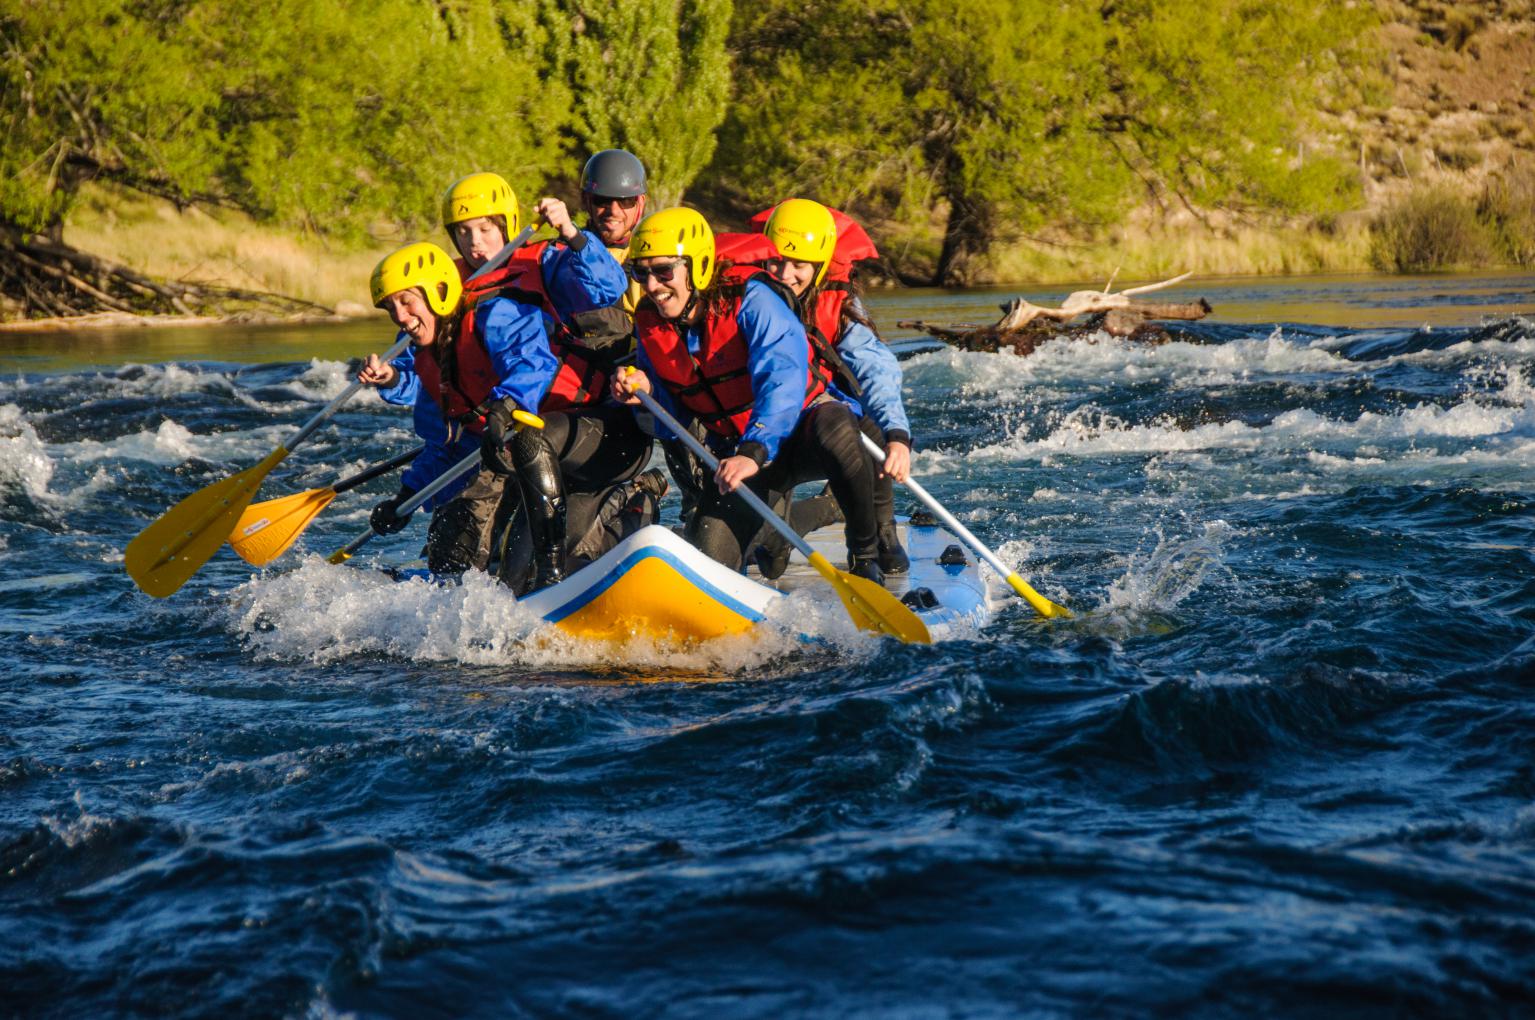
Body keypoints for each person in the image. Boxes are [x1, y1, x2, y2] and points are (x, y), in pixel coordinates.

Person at [610, 207, 885, 581]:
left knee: (837, 425)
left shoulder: (754, 301)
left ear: (699, 266)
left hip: (798, 434)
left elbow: (782, 382)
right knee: (717, 560)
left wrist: (753, 451)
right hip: (740, 453)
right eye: (640, 273)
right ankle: (790, 526)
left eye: (663, 271)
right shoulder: (650, 323)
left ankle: (865, 556)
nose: (652, 285)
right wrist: (645, 396)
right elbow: (670, 423)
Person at [439, 171, 661, 591]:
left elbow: (607, 286)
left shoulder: (545, 260)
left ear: (506, 226)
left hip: (587, 427)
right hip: (516, 431)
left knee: (536, 571)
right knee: (463, 557)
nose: (475, 242)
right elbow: (433, 380)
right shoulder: (450, 287)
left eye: (486, 229)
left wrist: (571, 232)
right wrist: (393, 377)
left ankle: (635, 501)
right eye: (463, 232)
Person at [356, 240, 564, 586]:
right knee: (448, 559)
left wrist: (506, 406)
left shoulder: (494, 315)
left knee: (521, 448)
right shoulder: (430, 358)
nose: (400, 317)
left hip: (550, 438)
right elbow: (447, 444)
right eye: (391, 308)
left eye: (406, 301)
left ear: (438, 291)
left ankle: (551, 571)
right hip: (485, 452)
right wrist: (405, 499)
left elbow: (534, 364)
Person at [751, 198, 914, 577]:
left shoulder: (838, 305)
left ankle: (878, 538)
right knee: (769, 561)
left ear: (821, 267)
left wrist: (898, 434)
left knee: (867, 425)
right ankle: (830, 507)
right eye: (776, 262)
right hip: (763, 434)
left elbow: (877, 369)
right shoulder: (744, 300)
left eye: (799, 265)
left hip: (817, 425)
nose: (785, 274)